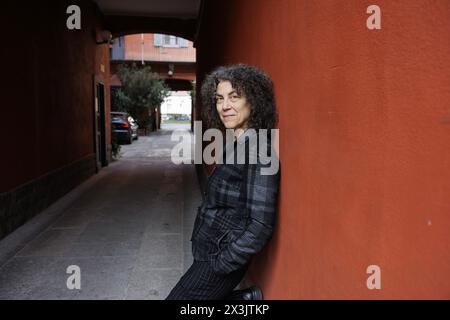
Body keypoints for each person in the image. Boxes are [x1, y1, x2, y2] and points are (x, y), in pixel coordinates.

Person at [166, 64, 280, 300]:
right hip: (208, 248)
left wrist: (222, 262)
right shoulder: (234, 142)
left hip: (221, 258)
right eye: (219, 99)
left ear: (254, 101)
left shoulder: (259, 151)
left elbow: (261, 225)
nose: (224, 106)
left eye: (234, 97)